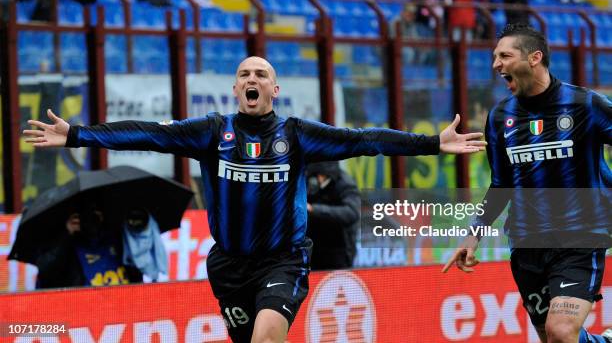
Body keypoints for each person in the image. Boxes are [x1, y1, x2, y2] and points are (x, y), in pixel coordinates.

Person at [24, 56, 486, 343]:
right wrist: (77, 136)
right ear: (235, 89)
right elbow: (147, 133)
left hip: (282, 261)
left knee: (268, 337)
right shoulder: (211, 132)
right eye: (244, 73)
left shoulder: (298, 135)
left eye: (261, 74)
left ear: (274, 90)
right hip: (228, 265)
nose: (252, 79)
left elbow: (363, 139)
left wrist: (430, 143)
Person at [443, 25, 612, 343]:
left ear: (535, 58)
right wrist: (473, 234)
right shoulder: (498, 118)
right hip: (526, 244)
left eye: (505, 55)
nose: (496, 64)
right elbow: (501, 184)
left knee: (560, 332)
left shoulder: (585, 105)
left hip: (580, 238)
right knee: (551, 340)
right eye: (495, 57)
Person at [35, 202, 143, 289]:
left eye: (95, 215)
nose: (91, 220)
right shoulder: (67, 244)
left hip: (124, 303)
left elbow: (140, 266)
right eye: (86, 216)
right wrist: (67, 234)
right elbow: (43, 271)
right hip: (87, 307)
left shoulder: (118, 237)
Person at [306, 161, 360, 270]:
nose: (316, 179)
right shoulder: (307, 182)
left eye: (319, 175)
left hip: (339, 252)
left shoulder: (345, 184)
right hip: (313, 250)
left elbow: (351, 213)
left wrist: (314, 209)